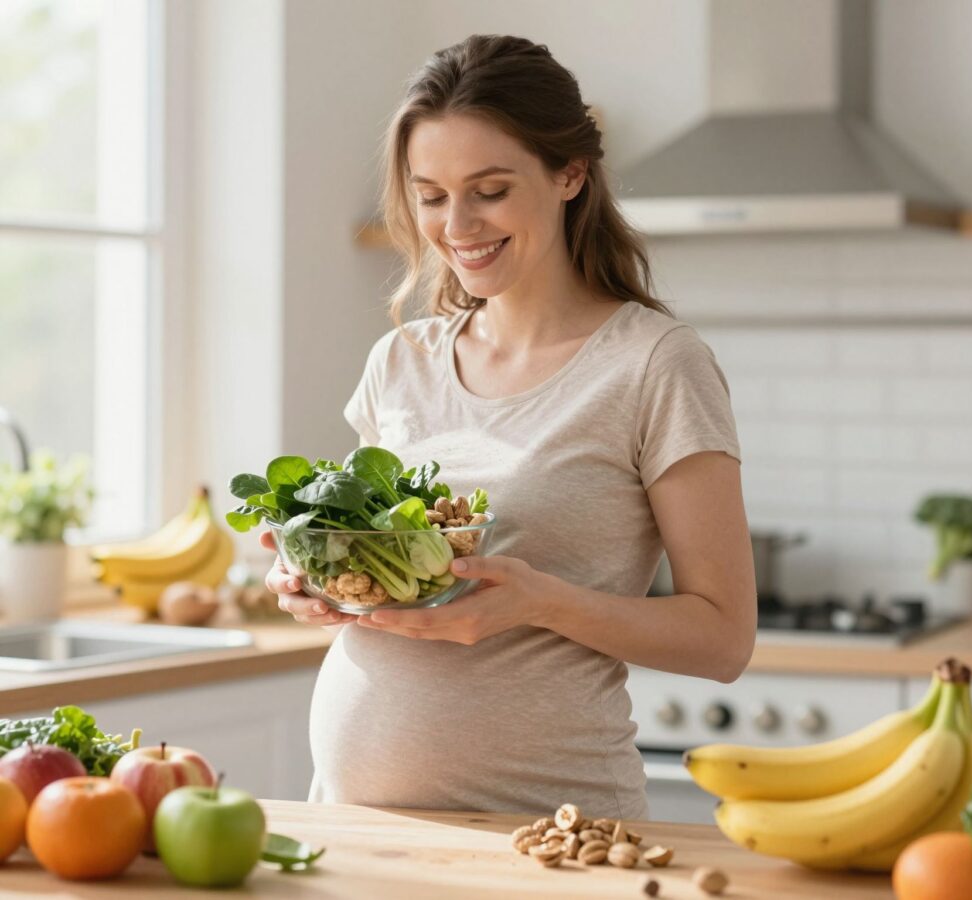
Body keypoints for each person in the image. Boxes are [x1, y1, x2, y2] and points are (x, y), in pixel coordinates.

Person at [263, 34, 756, 818]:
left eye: (489, 189)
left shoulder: (654, 365)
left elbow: (725, 639)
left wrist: (538, 602)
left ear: (569, 174)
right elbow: (381, 568)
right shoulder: (401, 362)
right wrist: (319, 580)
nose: (456, 224)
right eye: (429, 195)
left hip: (548, 832)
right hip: (355, 826)